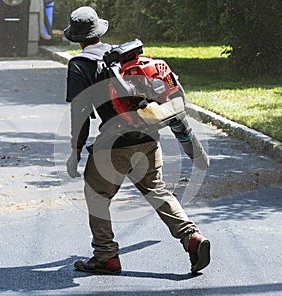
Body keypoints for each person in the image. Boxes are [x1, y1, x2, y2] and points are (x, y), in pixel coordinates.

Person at [64, 6, 210, 274]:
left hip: (112, 146)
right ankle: (191, 237)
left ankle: (106, 256)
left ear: (77, 37)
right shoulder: (122, 55)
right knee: (157, 190)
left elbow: (80, 114)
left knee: (96, 195)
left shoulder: (80, 65)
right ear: (99, 31)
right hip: (147, 137)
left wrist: (75, 151)